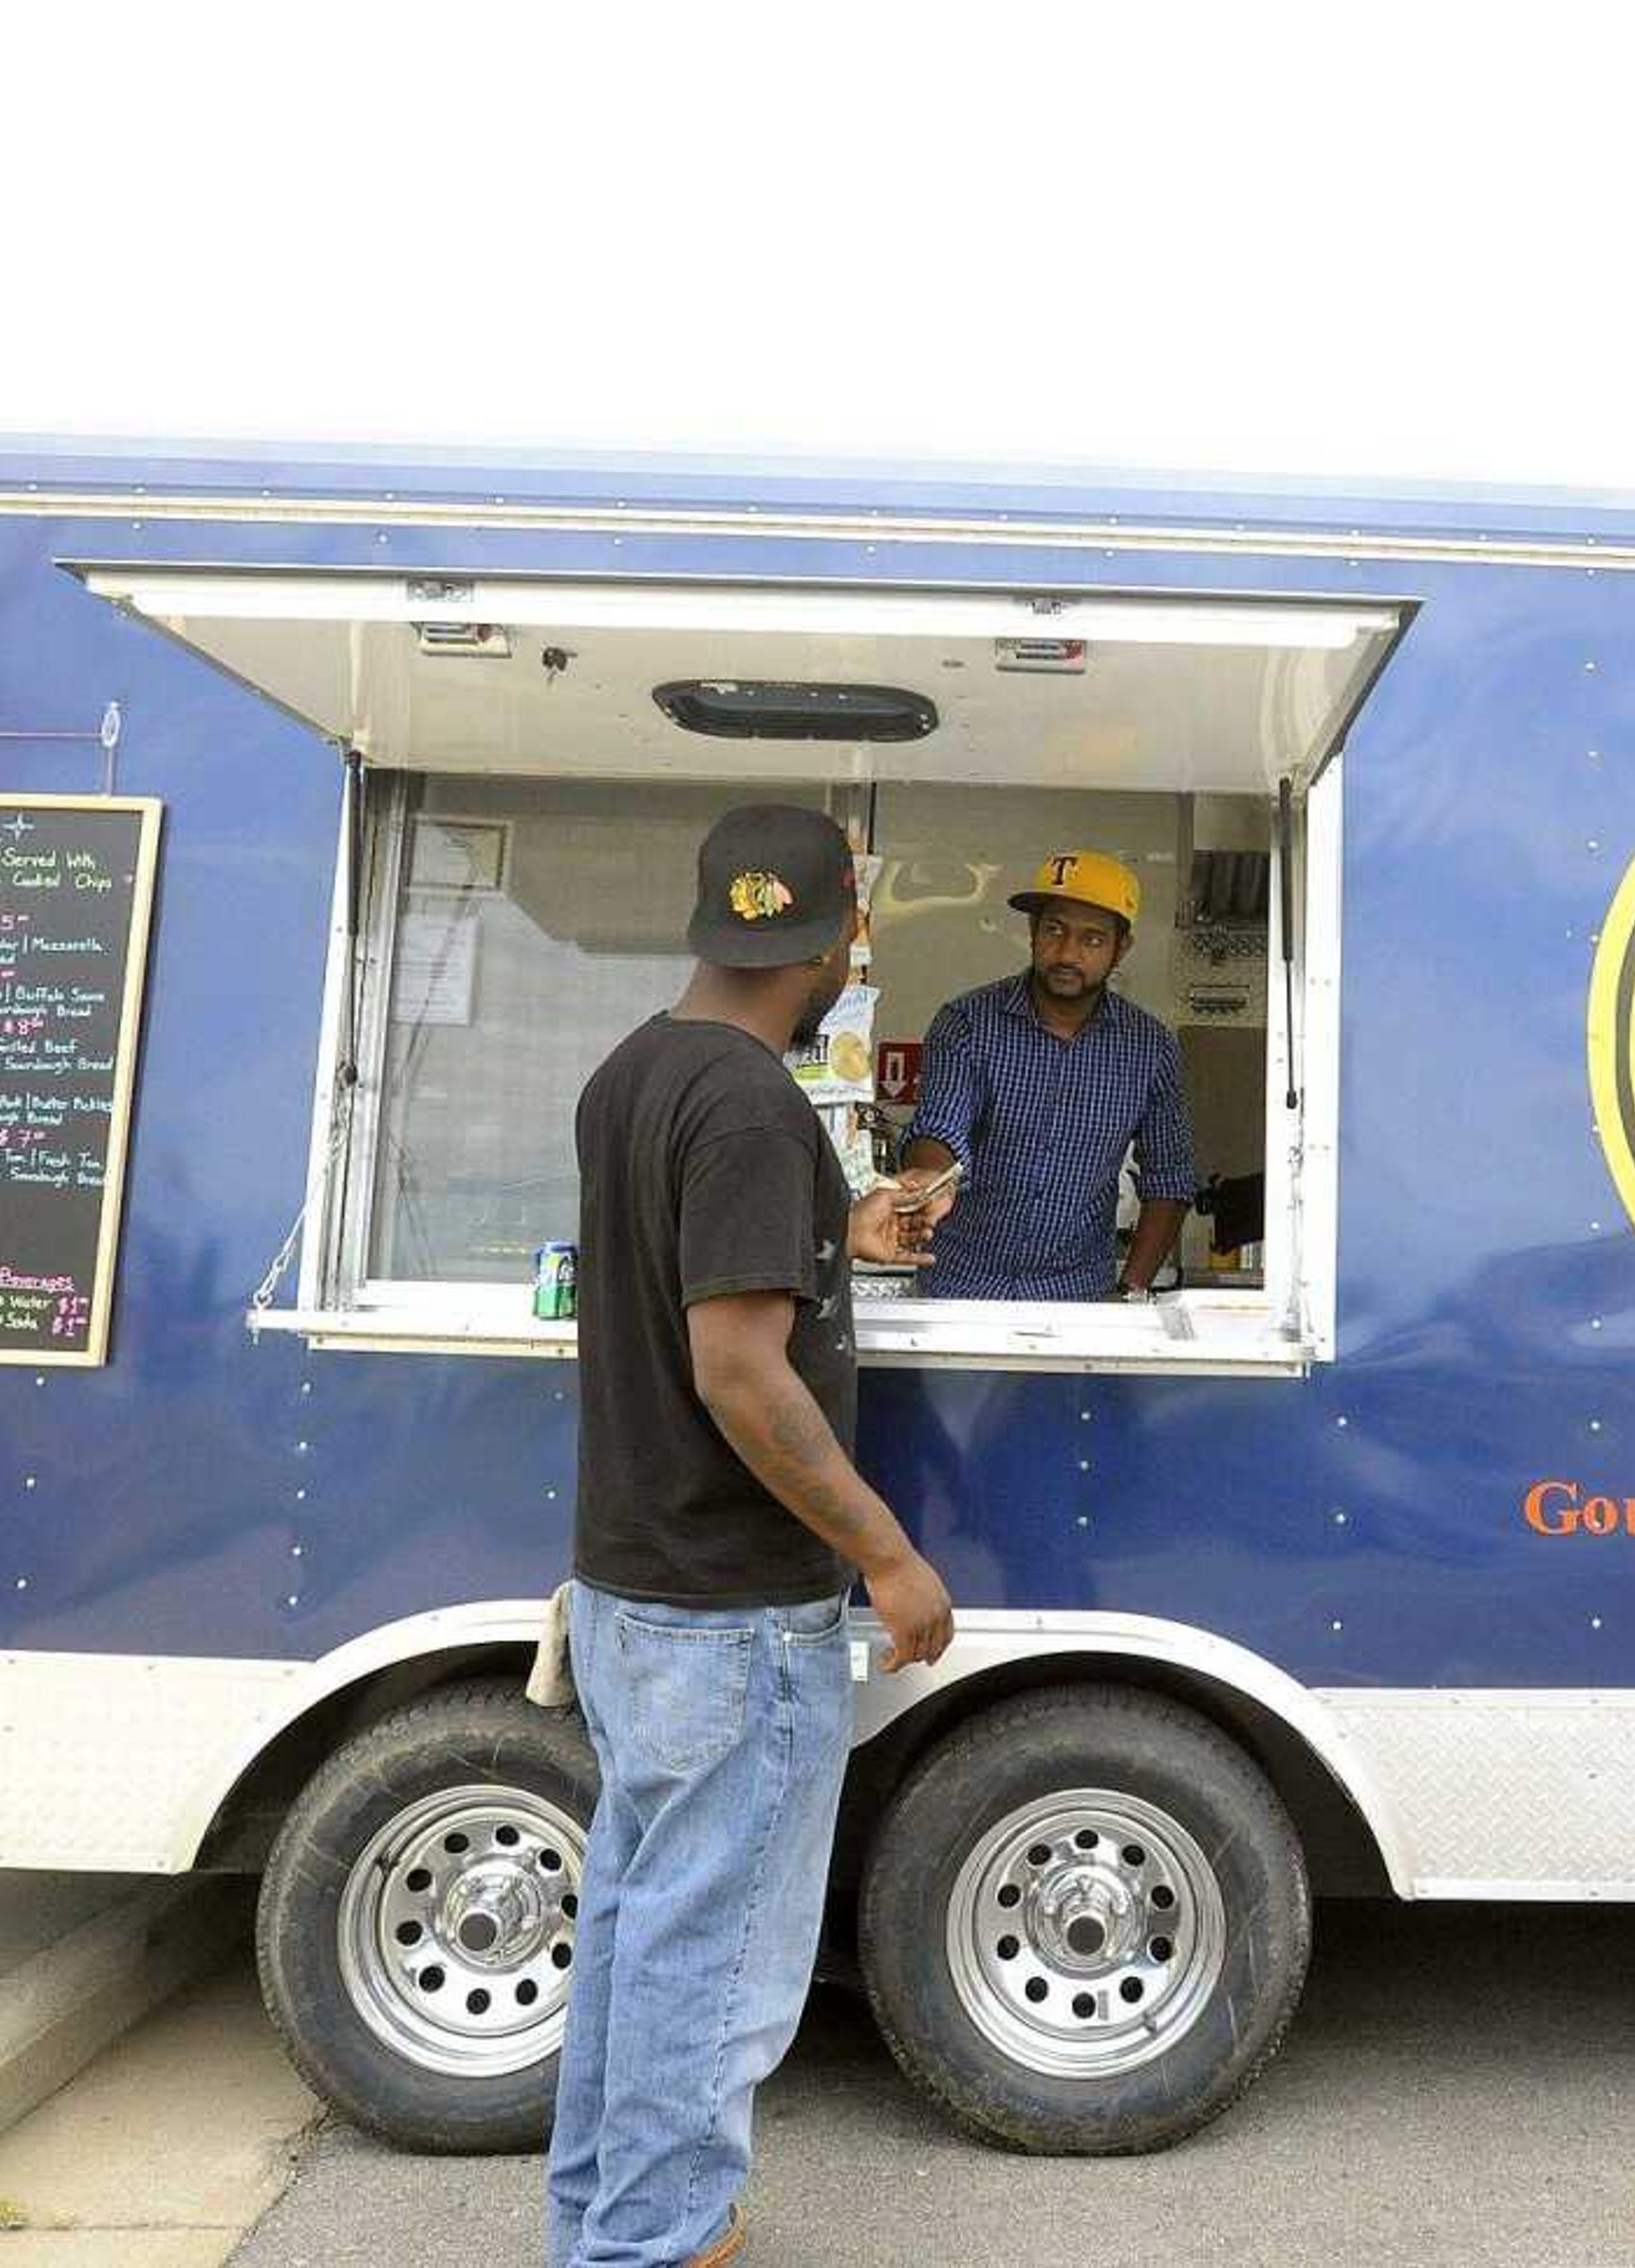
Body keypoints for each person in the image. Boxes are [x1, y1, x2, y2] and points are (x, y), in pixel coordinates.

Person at [546, 802, 957, 2268]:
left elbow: (690, 1262)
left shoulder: (635, 1075)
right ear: (841, 933)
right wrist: (890, 1555)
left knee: (637, 1934)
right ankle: (650, 2246)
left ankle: (606, 2227)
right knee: (710, 1967)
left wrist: (833, 1230)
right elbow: (737, 1371)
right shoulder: (755, 1107)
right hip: (729, 1614)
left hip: (632, 1593)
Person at [899, 849, 1197, 1302]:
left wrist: (1131, 1289)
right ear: (1032, 932)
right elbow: (940, 1126)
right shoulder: (967, 1022)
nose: (1067, 953)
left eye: (1092, 939)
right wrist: (930, 1181)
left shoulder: (1150, 1047)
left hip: (1077, 1299)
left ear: (1122, 948)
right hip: (959, 1289)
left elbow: (1169, 1180)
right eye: (1054, 929)